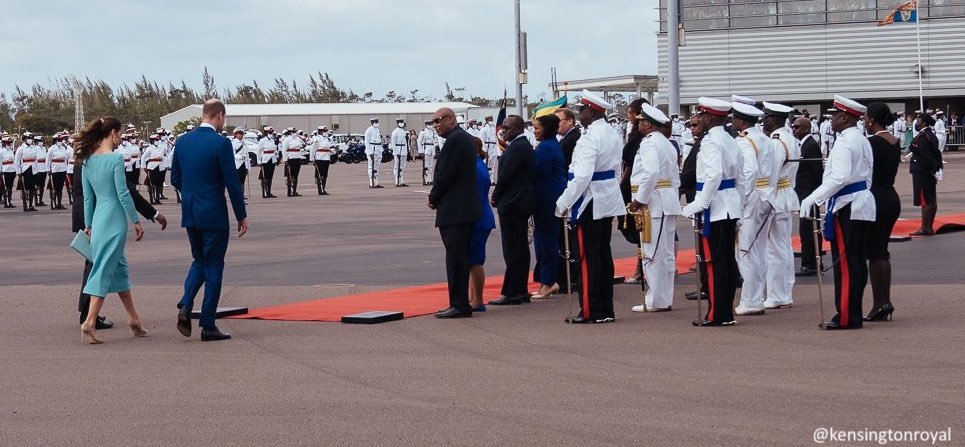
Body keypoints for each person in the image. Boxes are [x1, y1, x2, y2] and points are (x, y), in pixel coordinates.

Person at [172, 99, 248, 342]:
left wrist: (191, 194)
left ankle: (186, 303)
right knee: (214, 265)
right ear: (219, 115)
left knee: (199, 260)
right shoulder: (221, 143)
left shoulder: (182, 141)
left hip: (191, 213)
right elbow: (232, 182)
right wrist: (241, 215)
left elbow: (175, 178)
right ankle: (208, 324)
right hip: (213, 213)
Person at [800, 95, 876, 331]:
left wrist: (815, 197)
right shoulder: (861, 139)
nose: (831, 119)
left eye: (834, 115)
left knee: (846, 263)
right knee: (856, 262)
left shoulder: (845, 141)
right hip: (860, 203)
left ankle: (846, 316)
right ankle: (852, 312)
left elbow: (840, 176)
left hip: (848, 205)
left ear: (845, 117)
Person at [74, 117, 147, 344]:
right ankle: (89, 321)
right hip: (114, 218)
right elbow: (123, 193)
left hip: (98, 218)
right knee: (103, 269)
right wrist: (135, 219)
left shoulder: (86, 161)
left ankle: (134, 320)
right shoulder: (116, 158)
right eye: (120, 134)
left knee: (119, 268)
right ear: (113, 133)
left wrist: (88, 225)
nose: (121, 139)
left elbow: (88, 197)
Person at [554, 90, 624, 324]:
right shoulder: (611, 133)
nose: (579, 114)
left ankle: (591, 310)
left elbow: (581, 176)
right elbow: (615, 171)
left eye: (582, 110)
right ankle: (605, 308)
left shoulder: (590, 137)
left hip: (588, 201)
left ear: (591, 112)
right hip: (605, 198)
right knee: (603, 255)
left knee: (587, 257)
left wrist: (563, 202)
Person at [680, 97, 743, 327]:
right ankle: (725, 311)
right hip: (729, 204)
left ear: (709, 118)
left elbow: (714, 175)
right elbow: (741, 177)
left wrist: (701, 202)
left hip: (715, 207)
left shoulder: (709, 142)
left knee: (714, 261)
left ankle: (717, 313)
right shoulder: (730, 140)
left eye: (700, 115)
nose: (697, 119)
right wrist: (741, 206)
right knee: (725, 260)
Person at [427, 107, 481, 319]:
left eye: (438, 120)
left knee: (456, 259)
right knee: (459, 257)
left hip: (455, 210)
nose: (435, 125)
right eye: (433, 122)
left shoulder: (455, 140)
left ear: (450, 119)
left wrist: (433, 197)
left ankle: (459, 305)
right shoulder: (465, 138)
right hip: (463, 208)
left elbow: (444, 174)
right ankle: (458, 303)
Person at [628, 104, 681, 312]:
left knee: (653, 252)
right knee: (666, 254)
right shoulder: (666, 143)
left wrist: (639, 199)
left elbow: (650, 174)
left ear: (648, 124)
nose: (638, 124)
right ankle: (663, 297)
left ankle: (655, 300)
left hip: (653, 202)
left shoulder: (649, 144)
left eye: (641, 121)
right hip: (666, 200)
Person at [730, 99, 771, 317]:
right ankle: (757, 296)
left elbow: (748, 172)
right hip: (765, 195)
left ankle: (751, 299)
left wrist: (741, 203)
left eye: (735, 118)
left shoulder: (745, 142)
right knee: (759, 249)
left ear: (742, 121)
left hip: (751, 197)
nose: (733, 122)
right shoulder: (764, 139)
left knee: (745, 250)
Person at [488, 115, 535, 306]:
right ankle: (520, 289)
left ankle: (513, 291)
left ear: (518, 129)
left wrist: (496, 196)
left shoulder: (518, 147)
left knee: (513, 248)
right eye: (502, 128)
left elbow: (506, 175)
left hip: (513, 203)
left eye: (507, 128)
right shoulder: (520, 146)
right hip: (518, 202)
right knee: (519, 247)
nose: (503, 131)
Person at [863, 102, 901, 322]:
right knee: (882, 251)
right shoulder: (894, 141)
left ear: (872, 120)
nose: (864, 121)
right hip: (890, 196)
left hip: (875, 198)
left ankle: (880, 303)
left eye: (865, 118)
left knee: (875, 253)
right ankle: (884, 302)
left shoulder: (871, 143)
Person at [761, 101, 799, 310]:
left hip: (777, 194)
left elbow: (771, 174)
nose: (763, 121)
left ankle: (777, 294)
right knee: (783, 245)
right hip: (785, 193)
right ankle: (784, 291)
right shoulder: (788, 137)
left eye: (766, 117)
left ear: (774, 119)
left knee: (774, 247)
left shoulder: (777, 141)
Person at [530, 114, 566, 299]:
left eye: (537, 128)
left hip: (546, 197)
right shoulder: (552, 145)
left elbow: (537, 173)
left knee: (546, 241)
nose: (534, 131)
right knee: (544, 239)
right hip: (551, 195)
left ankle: (549, 282)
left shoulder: (545, 148)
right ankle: (546, 281)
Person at [618, 99, 647, 284]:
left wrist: (622, 182)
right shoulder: (634, 134)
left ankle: (640, 268)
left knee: (639, 228)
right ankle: (641, 267)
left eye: (631, 113)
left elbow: (630, 163)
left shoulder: (639, 137)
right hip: (631, 183)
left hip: (634, 185)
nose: (629, 117)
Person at [793, 117, 824, 277]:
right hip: (805, 194)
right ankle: (813, 262)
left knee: (808, 231)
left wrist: (816, 196)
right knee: (807, 230)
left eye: (797, 127)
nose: (794, 129)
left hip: (809, 195)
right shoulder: (804, 144)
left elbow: (817, 173)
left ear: (806, 129)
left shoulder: (811, 146)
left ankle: (810, 264)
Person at [468, 136, 495, 312]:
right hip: (481, 216)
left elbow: (474, 197)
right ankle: (473, 298)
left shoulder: (475, 168)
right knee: (471, 260)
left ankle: (477, 300)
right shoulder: (478, 164)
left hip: (477, 218)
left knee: (475, 261)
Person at [908, 112, 942, 236]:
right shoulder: (930, 135)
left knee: (925, 200)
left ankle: (924, 228)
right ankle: (929, 227)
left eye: (918, 121)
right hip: (929, 171)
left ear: (924, 123)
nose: (916, 123)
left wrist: (933, 169)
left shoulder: (923, 136)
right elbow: (936, 153)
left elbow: (925, 155)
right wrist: (938, 169)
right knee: (932, 198)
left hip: (922, 170)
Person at [47, 133, 72, 210]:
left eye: (61, 140)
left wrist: (66, 146)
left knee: (60, 188)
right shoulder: (51, 149)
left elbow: (67, 157)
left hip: (62, 169)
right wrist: (48, 169)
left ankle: (59, 203)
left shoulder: (63, 148)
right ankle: (53, 203)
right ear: (55, 140)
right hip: (54, 170)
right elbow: (48, 160)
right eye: (58, 140)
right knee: (54, 187)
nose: (60, 141)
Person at [257, 126, 279, 198]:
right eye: (270, 132)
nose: (271, 134)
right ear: (266, 133)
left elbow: (275, 150)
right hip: (265, 159)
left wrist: (276, 159)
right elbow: (259, 151)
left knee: (270, 177)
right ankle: (265, 192)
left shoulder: (272, 140)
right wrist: (259, 161)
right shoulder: (262, 140)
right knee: (264, 177)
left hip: (272, 159)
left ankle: (269, 191)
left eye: (271, 132)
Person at [282, 128, 305, 197]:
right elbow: (284, 150)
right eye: (293, 132)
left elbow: (301, 145)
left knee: (296, 175)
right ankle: (289, 191)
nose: (294, 133)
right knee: (290, 175)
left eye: (295, 132)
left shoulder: (298, 139)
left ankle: (294, 190)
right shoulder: (287, 139)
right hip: (290, 158)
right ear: (289, 132)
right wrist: (285, 159)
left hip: (297, 158)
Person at [310, 126, 333, 195]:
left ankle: (324, 189)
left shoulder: (326, 139)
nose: (326, 133)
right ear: (320, 132)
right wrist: (312, 159)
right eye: (324, 131)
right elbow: (312, 149)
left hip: (326, 157)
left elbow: (327, 147)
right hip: (319, 158)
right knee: (320, 174)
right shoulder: (317, 139)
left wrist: (331, 151)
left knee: (325, 174)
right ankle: (320, 190)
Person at [364, 118, 383, 188]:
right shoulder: (369, 130)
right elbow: (366, 142)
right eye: (375, 122)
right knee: (371, 166)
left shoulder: (378, 130)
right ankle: (371, 183)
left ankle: (376, 182)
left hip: (378, 149)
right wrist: (370, 152)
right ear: (372, 123)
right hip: (372, 149)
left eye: (377, 122)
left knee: (377, 167)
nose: (377, 123)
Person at [417, 120, 437, 185]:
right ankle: (426, 179)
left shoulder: (432, 131)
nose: (431, 125)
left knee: (431, 165)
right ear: (426, 125)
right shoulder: (423, 132)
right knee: (426, 165)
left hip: (431, 149)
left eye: (431, 124)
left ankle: (430, 179)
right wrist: (421, 151)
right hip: (426, 149)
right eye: (429, 124)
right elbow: (419, 142)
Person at [391, 119, 409, 187]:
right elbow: (393, 143)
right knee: (397, 166)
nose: (402, 123)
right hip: (398, 149)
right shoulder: (395, 132)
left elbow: (405, 142)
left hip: (403, 149)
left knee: (402, 166)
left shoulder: (404, 131)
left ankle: (401, 180)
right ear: (397, 123)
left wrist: (407, 152)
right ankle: (397, 181)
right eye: (400, 122)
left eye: (402, 122)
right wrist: (396, 152)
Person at [0, 135, 16, 208]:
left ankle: (9, 201)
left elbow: (13, 161)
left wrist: (15, 170)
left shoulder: (11, 151)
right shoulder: (1, 152)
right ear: (4, 143)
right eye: (8, 143)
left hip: (12, 170)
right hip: (5, 170)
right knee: (5, 187)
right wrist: (0, 171)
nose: (9, 145)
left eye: (10, 143)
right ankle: (6, 203)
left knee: (10, 187)